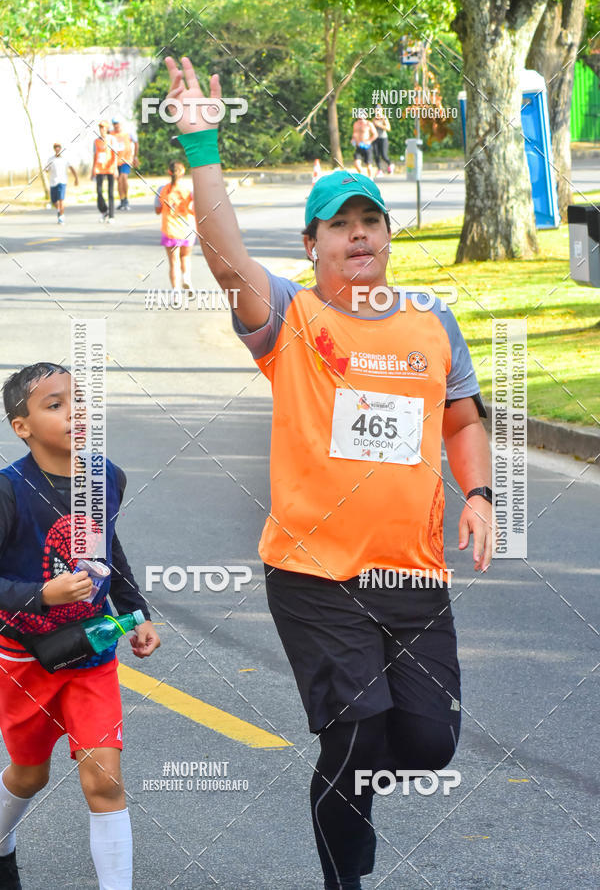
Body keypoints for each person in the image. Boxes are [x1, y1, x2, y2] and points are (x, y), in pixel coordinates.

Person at [164, 56, 493, 890]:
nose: (359, 234)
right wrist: (201, 142)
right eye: (339, 224)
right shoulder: (290, 316)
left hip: (412, 572)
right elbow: (225, 257)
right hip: (313, 572)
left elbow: (461, 419)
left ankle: (350, 795)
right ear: (311, 245)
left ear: (387, 235)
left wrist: (481, 494)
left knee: (429, 741)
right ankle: (344, 876)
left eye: (370, 220)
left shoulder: (433, 322)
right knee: (353, 731)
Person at [0, 362, 160, 890]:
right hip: (25, 658)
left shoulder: (106, 476)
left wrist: (136, 613)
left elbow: (108, 548)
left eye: (80, 401)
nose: (76, 413)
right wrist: (40, 595)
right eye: (55, 405)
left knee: (104, 781)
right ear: (21, 426)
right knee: (30, 774)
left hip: (92, 649)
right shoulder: (8, 491)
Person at [154, 160, 196, 291]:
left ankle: (175, 292)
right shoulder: (189, 189)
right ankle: (186, 278)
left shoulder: (162, 190)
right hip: (187, 229)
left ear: (169, 172)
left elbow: (157, 210)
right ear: (183, 173)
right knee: (185, 257)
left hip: (169, 230)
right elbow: (195, 209)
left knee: (173, 262)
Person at [44, 143, 79, 224]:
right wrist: (45, 169)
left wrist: (76, 178)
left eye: (58, 147)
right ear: (54, 149)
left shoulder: (65, 159)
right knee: (54, 201)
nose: (57, 149)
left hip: (62, 182)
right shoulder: (50, 159)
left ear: (60, 149)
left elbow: (72, 168)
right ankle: (59, 210)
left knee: (61, 199)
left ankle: (61, 216)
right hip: (53, 182)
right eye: (55, 147)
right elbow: (47, 170)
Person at [91, 121, 118, 223]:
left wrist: (115, 168)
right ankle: (104, 211)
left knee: (110, 192)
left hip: (110, 167)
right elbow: (95, 155)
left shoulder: (112, 139)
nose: (101, 129)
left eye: (103, 127)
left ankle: (111, 216)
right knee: (99, 191)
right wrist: (93, 169)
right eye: (100, 127)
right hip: (99, 168)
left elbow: (115, 155)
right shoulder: (96, 141)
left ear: (107, 129)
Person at [110, 118, 139, 211]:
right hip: (115, 161)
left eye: (117, 123)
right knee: (119, 181)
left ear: (121, 124)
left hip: (126, 160)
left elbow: (136, 143)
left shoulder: (128, 133)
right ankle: (122, 200)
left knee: (124, 177)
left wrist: (135, 157)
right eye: (114, 124)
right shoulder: (111, 134)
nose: (116, 126)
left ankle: (126, 199)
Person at [372, 107, 393, 175]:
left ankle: (390, 164)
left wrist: (379, 125)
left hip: (383, 138)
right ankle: (379, 170)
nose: (377, 112)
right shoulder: (374, 119)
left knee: (384, 155)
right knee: (376, 155)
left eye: (378, 110)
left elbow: (388, 128)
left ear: (381, 111)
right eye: (376, 111)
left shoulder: (384, 118)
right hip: (375, 139)